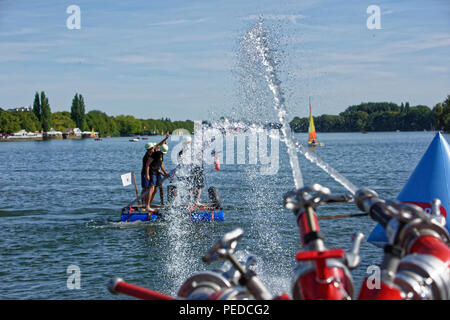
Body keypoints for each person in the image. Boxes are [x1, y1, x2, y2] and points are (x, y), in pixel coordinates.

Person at [142, 133, 170, 211]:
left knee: (156, 189)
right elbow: (147, 165)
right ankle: (147, 206)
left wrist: (164, 172)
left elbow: (160, 164)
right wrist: (147, 174)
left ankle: (149, 204)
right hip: (152, 173)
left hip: (156, 173)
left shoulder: (160, 154)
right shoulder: (154, 154)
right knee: (150, 188)